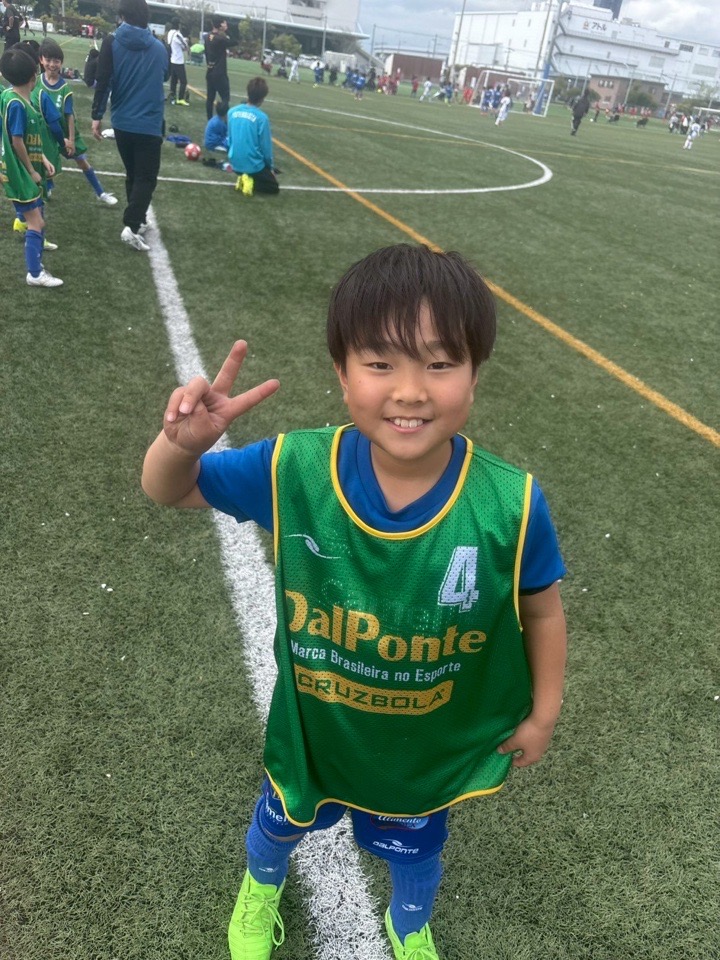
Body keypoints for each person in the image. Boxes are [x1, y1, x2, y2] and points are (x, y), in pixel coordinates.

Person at [141, 243, 568, 960]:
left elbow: (544, 610)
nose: (411, 391)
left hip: (423, 745)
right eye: (380, 363)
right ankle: (261, 887)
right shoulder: (294, 467)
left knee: (416, 847)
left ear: (475, 373)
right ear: (342, 374)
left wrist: (544, 712)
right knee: (279, 820)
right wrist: (180, 445)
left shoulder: (511, 503)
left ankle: (410, 922)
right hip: (317, 730)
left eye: (440, 363)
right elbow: (168, 489)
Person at [90, 0, 167, 252]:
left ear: (122, 15)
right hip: (149, 123)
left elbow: (103, 81)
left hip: (122, 122)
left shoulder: (111, 42)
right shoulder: (159, 47)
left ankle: (139, 220)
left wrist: (96, 116)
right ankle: (132, 226)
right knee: (146, 177)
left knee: (133, 173)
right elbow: (165, 74)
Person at [0, 45, 61, 285]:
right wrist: (33, 170)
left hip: (22, 169)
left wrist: (42, 158)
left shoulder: (10, 96)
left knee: (38, 214)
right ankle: (34, 274)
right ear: (34, 76)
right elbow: (17, 141)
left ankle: (36, 262)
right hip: (19, 173)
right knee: (36, 222)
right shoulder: (17, 104)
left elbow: (25, 139)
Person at [34, 38, 117, 205]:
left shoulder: (64, 88)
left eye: (56, 61)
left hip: (65, 133)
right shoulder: (36, 83)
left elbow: (69, 115)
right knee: (45, 163)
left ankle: (100, 192)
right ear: (41, 60)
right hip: (46, 134)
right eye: (48, 60)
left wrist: (71, 140)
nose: (52, 64)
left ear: (61, 62)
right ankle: (48, 186)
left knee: (82, 161)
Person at [227, 76, 278, 197]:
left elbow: (230, 139)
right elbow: (266, 148)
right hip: (253, 165)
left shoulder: (232, 112)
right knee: (273, 187)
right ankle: (250, 180)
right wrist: (270, 167)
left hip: (235, 162)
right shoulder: (262, 118)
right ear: (262, 98)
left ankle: (242, 176)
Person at [204, 16, 232, 121]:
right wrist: (227, 31)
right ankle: (223, 118)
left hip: (210, 70)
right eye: (224, 23)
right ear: (220, 25)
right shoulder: (221, 39)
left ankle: (209, 120)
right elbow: (235, 41)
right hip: (220, 72)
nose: (226, 25)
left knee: (210, 98)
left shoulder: (207, 36)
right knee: (225, 97)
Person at [166, 16, 189, 106]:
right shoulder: (177, 34)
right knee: (183, 81)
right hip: (178, 60)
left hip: (172, 59)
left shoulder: (170, 33)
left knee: (173, 81)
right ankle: (181, 98)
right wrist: (186, 41)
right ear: (178, 24)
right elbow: (185, 45)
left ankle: (172, 96)